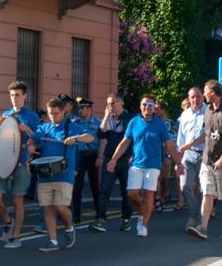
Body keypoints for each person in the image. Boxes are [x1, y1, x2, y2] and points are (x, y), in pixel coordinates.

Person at [107, 94, 183, 237]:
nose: (147, 107)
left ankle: (143, 226)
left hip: (153, 165)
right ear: (140, 106)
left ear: (154, 108)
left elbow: (169, 145)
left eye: (150, 105)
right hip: (136, 163)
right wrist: (113, 159)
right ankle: (142, 211)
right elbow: (125, 142)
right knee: (132, 194)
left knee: (149, 194)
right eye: (144, 104)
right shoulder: (134, 122)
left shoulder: (160, 124)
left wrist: (178, 163)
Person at [27, 97, 95, 252]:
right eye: (50, 113)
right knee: (48, 209)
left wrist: (75, 138)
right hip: (45, 173)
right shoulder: (45, 128)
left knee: (60, 206)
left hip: (64, 174)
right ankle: (53, 241)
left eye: (56, 113)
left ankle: (69, 227)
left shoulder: (72, 126)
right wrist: (30, 145)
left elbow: (91, 137)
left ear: (63, 112)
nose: (53, 117)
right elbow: (32, 139)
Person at [188, 80, 222, 240]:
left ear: (212, 92)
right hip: (207, 160)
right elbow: (207, 135)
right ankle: (202, 227)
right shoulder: (208, 111)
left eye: (204, 92)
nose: (203, 95)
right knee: (208, 193)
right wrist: (189, 145)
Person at [0, 80, 40, 249]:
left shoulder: (32, 116)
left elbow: (38, 139)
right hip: (3, 162)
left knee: (17, 200)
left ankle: (16, 237)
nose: (14, 98)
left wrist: (27, 129)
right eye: (12, 95)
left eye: (17, 95)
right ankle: (8, 221)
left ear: (25, 96)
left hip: (21, 162)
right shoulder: (5, 114)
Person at [90, 94, 133, 233]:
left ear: (121, 102)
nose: (110, 106)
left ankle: (126, 219)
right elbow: (101, 135)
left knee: (126, 191)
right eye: (108, 104)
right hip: (109, 159)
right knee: (105, 189)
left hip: (125, 159)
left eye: (113, 103)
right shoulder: (109, 119)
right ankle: (101, 219)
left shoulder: (130, 118)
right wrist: (105, 116)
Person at [177, 87, 207, 231]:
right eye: (192, 97)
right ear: (189, 98)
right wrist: (178, 161)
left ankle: (202, 220)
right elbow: (180, 139)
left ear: (203, 97)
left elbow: (209, 134)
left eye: (198, 96)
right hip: (188, 155)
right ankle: (193, 215)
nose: (195, 100)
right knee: (185, 186)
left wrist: (190, 144)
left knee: (203, 188)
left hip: (205, 154)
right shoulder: (185, 115)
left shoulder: (209, 112)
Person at [71, 98, 101, 224]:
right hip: (79, 156)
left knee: (95, 186)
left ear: (89, 109)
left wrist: (101, 157)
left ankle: (99, 214)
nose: (80, 111)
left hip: (93, 156)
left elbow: (102, 141)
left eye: (82, 108)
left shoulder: (98, 123)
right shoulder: (74, 122)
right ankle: (76, 216)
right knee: (77, 187)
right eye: (79, 108)